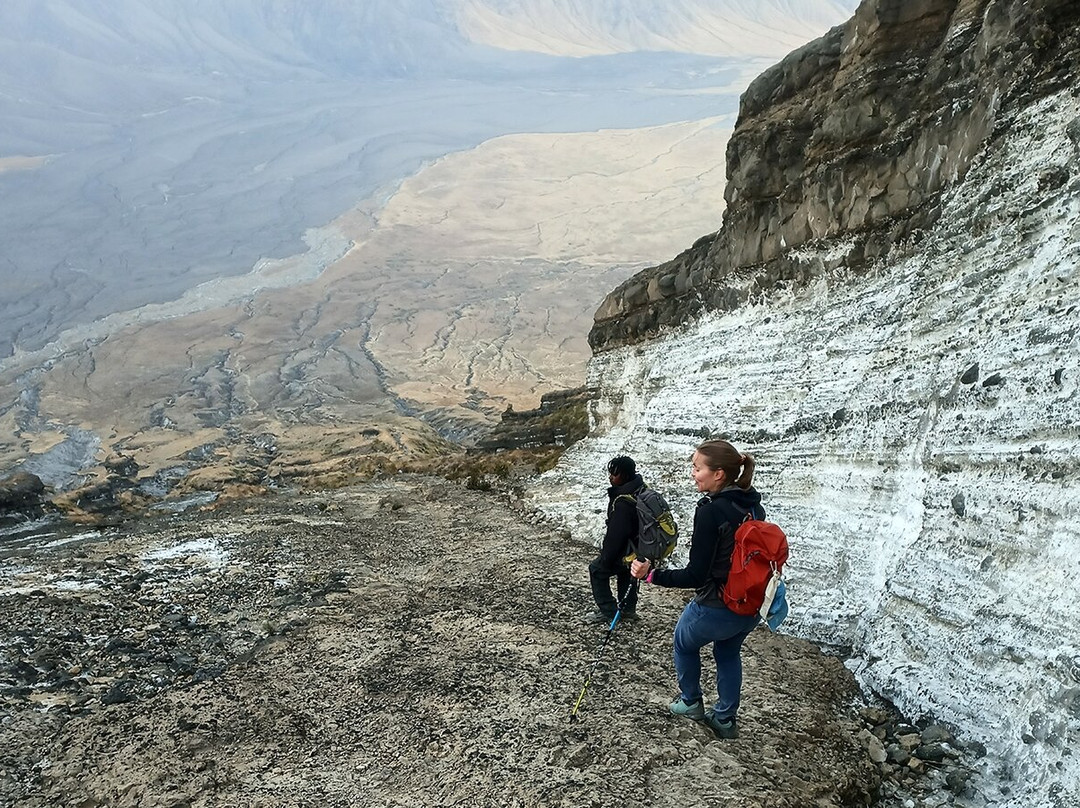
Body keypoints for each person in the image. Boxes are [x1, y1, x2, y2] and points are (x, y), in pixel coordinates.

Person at [630, 439, 763, 740]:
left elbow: (696, 575)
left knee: (683, 643)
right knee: (728, 652)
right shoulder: (753, 503)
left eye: (697, 467)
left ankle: (691, 702)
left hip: (718, 605)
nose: (692, 473)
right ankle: (726, 719)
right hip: (751, 604)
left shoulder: (710, 512)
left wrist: (651, 576)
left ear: (718, 474)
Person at [586, 455, 643, 623]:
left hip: (624, 548)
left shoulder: (623, 502)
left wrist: (606, 558)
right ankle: (628, 610)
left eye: (615, 474)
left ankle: (608, 611)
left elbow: (616, 535)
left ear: (625, 475)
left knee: (596, 570)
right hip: (637, 548)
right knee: (627, 572)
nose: (611, 477)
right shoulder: (640, 489)